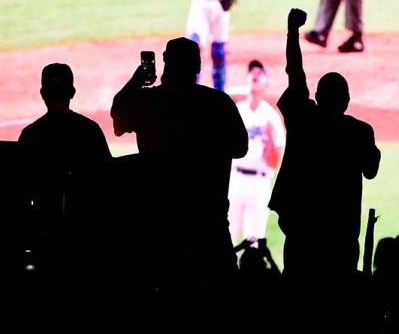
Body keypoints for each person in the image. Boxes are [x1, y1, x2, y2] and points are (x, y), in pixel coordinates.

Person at [111, 38, 248, 290]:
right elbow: (240, 148)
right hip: (210, 226)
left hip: (162, 226)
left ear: (165, 63)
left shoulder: (150, 101)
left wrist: (136, 82)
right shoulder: (219, 103)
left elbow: (118, 121)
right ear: (197, 66)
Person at [271, 8, 380, 282]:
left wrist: (293, 32)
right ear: (346, 100)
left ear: (317, 97)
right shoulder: (359, 131)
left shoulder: (303, 119)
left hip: (302, 234)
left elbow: (294, 74)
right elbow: (371, 170)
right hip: (341, 237)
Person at [18, 64, 112, 280]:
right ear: (72, 92)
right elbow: (107, 181)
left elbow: (20, 189)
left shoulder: (30, 134)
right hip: (86, 236)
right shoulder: (90, 131)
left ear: (42, 94)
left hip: (44, 236)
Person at [228, 61, 286, 246]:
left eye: (260, 72)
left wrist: (268, 135)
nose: (254, 74)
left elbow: (274, 163)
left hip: (259, 184)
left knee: (254, 243)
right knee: (225, 238)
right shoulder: (237, 112)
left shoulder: (272, 117)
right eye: (251, 71)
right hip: (234, 180)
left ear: (266, 82)